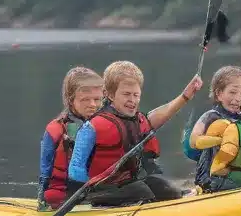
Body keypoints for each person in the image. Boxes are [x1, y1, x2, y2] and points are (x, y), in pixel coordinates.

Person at [66, 60, 202, 206]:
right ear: (110, 95)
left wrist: (185, 96)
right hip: (99, 189)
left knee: (163, 188)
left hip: (127, 183)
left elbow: (161, 114)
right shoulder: (92, 127)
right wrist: (82, 195)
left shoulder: (138, 120)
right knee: (141, 191)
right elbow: (75, 168)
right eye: (126, 94)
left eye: (136, 95)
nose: (132, 100)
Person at [38, 66, 105, 209]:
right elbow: (45, 172)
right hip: (65, 194)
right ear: (71, 100)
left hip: (100, 190)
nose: (92, 105)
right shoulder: (55, 130)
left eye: (97, 99)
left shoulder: (109, 124)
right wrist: (42, 204)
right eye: (85, 99)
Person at [181, 65, 241, 191]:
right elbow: (193, 141)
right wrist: (222, 139)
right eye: (233, 92)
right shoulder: (211, 116)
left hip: (236, 175)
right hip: (211, 177)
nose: (238, 98)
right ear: (219, 94)